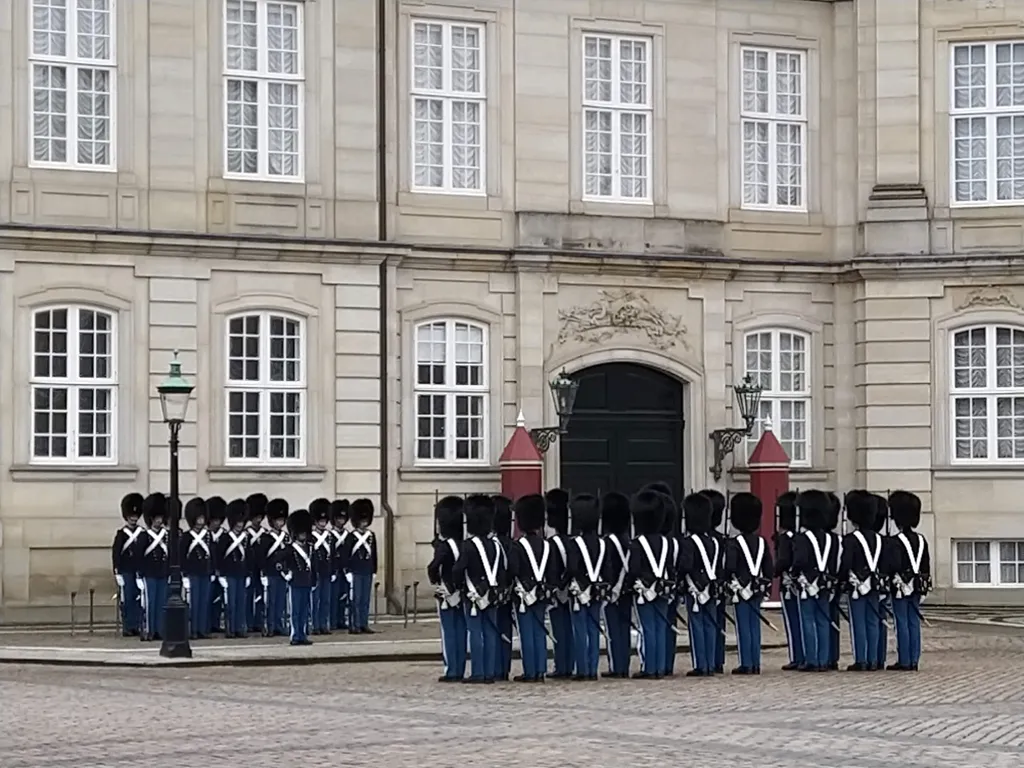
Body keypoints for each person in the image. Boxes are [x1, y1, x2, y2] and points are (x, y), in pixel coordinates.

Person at [453, 494, 506, 684]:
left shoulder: (468, 546)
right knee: (490, 632)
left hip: (473, 594)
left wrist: (460, 586)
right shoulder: (496, 545)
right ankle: (489, 672)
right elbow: (502, 571)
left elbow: (459, 569)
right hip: (491, 594)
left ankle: (478, 672)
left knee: (475, 632)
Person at [791, 490, 839, 672]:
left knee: (808, 620)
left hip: (807, 583)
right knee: (823, 620)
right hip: (824, 583)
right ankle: (823, 659)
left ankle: (811, 659)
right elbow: (833, 563)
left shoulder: (803, 538)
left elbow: (800, 561)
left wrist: (795, 575)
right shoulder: (830, 539)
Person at [725, 492, 773, 675]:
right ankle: (755, 662)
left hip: (741, 588)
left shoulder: (734, 543)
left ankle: (746, 663)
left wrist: (731, 583)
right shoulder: (761, 541)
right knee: (754, 626)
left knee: (744, 626)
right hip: (757, 588)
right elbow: (768, 567)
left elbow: (730, 566)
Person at [840, 490, 885, 671]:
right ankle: (873, 659)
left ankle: (861, 659)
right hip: (874, 585)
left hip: (857, 585)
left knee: (858, 622)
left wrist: (842, 580)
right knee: (873, 622)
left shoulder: (851, 540)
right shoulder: (880, 539)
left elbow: (846, 563)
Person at [510, 494, 552, 683]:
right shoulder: (546, 545)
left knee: (527, 632)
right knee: (539, 630)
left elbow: (513, 570)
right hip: (541, 593)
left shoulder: (518, 546)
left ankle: (530, 671)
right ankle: (541, 669)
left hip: (524, 594)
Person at [627, 489, 669, 679]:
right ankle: (660, 666)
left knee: (647, 628)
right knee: (660, 628)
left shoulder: (637, 544)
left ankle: (649, 667)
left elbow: (633, 569)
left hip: (644, 590)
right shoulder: (666, 542)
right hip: (663, 589)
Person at [888, 490, 930, 671]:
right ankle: (914, 659)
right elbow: (926, 564)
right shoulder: (921, 539)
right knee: (913, 621)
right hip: (917, 585)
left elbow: (894, 564)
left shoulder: (895, 541)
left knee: (901, 621)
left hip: (901, 585)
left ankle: (904, 659)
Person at [679, 493, 720, 677]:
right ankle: (710, 664)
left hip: (694, 588)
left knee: (697, 625)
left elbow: (686, 565)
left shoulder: (688, 542)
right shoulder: (713, 541)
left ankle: (700, 665)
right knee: (710, 625)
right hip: (710, 587)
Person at [427, 495, 467, 682]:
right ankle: (460, 667)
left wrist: (435, 581)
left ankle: (452, 670)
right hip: (462, 592)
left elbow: (434, 567)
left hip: (446, 592)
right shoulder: (464, 543)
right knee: (461, 631)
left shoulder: (444, 546)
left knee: (449, 633)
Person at [567, 493, 606, 681]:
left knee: (580, 630)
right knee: (593, 628)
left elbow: (572, 567)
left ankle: (582, 669)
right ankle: (592, 668)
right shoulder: (602, 543)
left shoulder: (575, 543)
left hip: (580, 589)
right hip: (596, 589)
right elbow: (608, 569)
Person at [647, 483, 681, 676]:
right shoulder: (674, 541)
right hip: (669, 585)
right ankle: (665, 663)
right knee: (666, 625)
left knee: (658, 625)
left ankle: (655, 664)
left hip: (656, 586)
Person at [601, 491, 633, 678]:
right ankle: (624, 664)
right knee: (624, 628)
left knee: (614, 629)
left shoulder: (608, 541)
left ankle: (616, 666)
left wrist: (611, 587)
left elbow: (609, 566)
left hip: (614, 588)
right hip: (626, 588)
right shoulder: (627, 539)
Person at [545, 488, 575, 678]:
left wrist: (558, 588)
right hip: (570, 590)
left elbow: (553, 569)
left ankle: (562, 666)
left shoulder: (553, 542)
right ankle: (568, 664)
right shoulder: (570, 540)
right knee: (569, 629)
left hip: (559, 591)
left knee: (560, 631)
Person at [774, 491, 804, 670]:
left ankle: (797, 656)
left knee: (793, 622)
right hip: (802, 583)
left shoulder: (786, 538)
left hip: (789, 584)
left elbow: (783, 561)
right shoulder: (800, 536)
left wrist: (775, 571)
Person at [700, 488, 728, 674]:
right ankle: (717, 659)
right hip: (718, 585)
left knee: (708, 623)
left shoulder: (701, 540)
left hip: (704, 585)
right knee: (717, 622)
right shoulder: (722, 540)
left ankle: (707, 661)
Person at [111, 492, 144, 637]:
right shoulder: (122, 534)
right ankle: (127, 626)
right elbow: (116, 554)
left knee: (138, 599)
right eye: (131, 516)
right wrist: (117, 572)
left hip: (138, 571)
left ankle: (136, 624)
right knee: (127, 599)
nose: (134, 519)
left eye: (136, 516)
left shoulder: (142, 533)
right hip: (126, 571)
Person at [216, 499, 250, 639]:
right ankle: (230, 629)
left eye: (242, 522)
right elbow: (219, 556)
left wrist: (248, 573)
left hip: (241, 573)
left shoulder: (245, 538)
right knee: (230, 603)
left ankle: (239, 628)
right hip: (229, 573)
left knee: (241, 603)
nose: (240, 525)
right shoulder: (225, 538)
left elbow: (249, 556)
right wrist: (221, 574)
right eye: (238, 522)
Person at [138, 493, 169, 642]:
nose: (159, 521)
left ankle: (159, 630)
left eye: (160, 518)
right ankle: (148, 630)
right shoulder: (145, 536)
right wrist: (139, 574)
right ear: (151, 519)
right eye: (156, 518)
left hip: (162, 572)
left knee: (161, 603)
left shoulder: (165, 535)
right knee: (150, 604)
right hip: (149, 573)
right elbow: (139, 556)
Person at [182, 497, 213, 640]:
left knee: (204, 602)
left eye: (202, 518)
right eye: (198, 518)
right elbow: (183, 556)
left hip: (205, 572)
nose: (201, 521)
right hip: (193, 572)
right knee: (194, 603)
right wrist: (184, 575)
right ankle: (193, 630)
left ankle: (202, 629)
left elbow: (213, 554)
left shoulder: (208, 535)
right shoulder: (187, 536)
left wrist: (212, 570)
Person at [282, 508, 315, 646]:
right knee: (295, 611)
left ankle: (303, 634)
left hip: (306, 582)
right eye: (300, 533)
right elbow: (279, 562)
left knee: (304, 611)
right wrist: (287, 574)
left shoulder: (310, 547)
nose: (303, 536)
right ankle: (295, 635)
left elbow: (314, 565)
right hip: (295, 583)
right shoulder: (290, 549)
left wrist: (314, 580)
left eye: (304, 533)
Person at [345, 498, 377, 634]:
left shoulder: (371, 535)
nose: (364, 523)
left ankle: (364, 623)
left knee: (365, 600)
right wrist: (347, 571)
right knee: (356, 600)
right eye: (362, 521)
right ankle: (355, 624)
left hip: (367, 570)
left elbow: (374, 553)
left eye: (366, 520)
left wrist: (374, 569)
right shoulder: (351, 537)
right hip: (355, 571)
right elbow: (346, 555)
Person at [492, 495, 515, 681]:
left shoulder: (494, 544)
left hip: (494, 592)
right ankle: (503, 667)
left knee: (495, 630)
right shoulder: (511, 544)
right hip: (508, 592)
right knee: (505, 630)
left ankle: (495, 667)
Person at [262, 499, 290, 637]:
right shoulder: (266, 538)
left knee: (281, 602)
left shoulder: (286, 537)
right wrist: (263, 574)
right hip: (271, 573)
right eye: (278, 520)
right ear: (272, 521)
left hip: (282, 574)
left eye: (282, 520)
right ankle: (270, 626)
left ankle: (279, 625)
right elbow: (262, 557)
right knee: (271, 602)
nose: (280, 523)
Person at [871, 493, 893, 668]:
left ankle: (866, 658)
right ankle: (879, 657)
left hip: (866, 585)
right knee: (880, 620)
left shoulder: (856, 540)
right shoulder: (886, 542)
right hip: (881, 584)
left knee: (865, 623)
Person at [309, 498, 334, 635]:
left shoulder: (329, 536)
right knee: (315, 601)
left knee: (326, 600)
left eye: (325, 521)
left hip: (326, 571)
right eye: (321, 521)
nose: (323, 523)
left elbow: (333, 553)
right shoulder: (311, 537)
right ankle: (315, 625)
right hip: (316, 571)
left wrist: (333, 570)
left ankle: (324, 624)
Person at [245, 493, 268, 633]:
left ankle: (259, 621)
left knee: (261, 597)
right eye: (256, 517)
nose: (258, 520)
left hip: (261, 569)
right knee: (248, 596)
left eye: (260, 517)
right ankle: (248, 622)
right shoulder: (246, 533)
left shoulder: (264, 533)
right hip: (249, 568)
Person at [825, 492, 843, 670]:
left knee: (820, 620)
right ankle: (832, 656)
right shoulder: (838, 540)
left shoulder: (816, 539)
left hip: (821, 583)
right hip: (834, 581)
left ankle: (822, 656)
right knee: (831, 619)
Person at [206, 497, 227, 634]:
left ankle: (215, 622)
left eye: (218, 520)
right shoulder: (205, 535)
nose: (216, 523)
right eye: (214, 520)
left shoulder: (224, 535)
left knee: (218, 600)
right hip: (208, 571)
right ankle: (207, 624)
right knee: (207, 600)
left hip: (221, 572)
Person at [330, 500, 351, 630]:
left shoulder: (348, 535)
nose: (341, 520)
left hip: (345, 570)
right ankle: (332, 620)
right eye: (338, 518)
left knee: (343, 596)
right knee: (333, 597)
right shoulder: (330, 535)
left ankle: (341, 619)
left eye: (343, 518)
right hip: (335, 569)